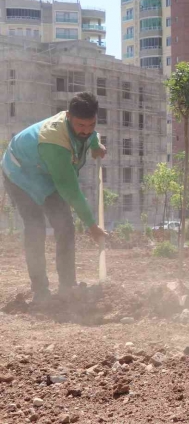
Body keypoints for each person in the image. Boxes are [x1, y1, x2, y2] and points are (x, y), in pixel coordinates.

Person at [2, 92, 108, 302]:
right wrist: (91, 225)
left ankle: (68, 286)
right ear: (68, 117)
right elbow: (70, 190)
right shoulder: (54, 142)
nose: (86, 131)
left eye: (91, 125)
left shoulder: (84, 131)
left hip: (45, 173)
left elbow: (90, 137)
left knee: (65, 226)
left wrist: (95, 145)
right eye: (81, 126)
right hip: (20, 173)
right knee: (35, 227)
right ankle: (40, 290)